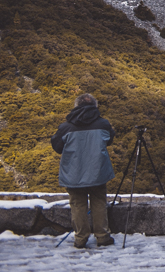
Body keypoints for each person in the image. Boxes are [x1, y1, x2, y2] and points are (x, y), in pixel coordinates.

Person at [51, 93, 116, 249]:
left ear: (76, 106)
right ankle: (102, 236)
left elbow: (57, 146)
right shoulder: (103, 124)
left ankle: (80, 238)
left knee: (78, 205)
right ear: (95, 106)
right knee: (99, 202)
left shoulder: (65, 127)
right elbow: (110, 139)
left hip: (74, 173)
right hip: (97, 171)